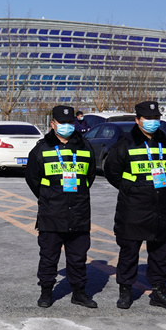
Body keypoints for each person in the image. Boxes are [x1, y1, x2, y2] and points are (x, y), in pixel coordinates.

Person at [103, 100, 166, 310]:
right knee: (129, 251)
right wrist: (132, 189)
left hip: (162, 206)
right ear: (138, 120)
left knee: (160, 252)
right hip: (134, 207)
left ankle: (159, 291)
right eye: (148, 118)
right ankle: (125, 291)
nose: (152, 122)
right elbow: (112, 171)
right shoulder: (126, 142)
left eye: (156, 118)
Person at [25, 105, 98, 308]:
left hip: (79, 211)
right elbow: (32, 178)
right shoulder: (41, 148)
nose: (67, 126)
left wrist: (74, 195)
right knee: (49, 256)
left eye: (70, 123)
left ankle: (79, 293)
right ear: (53, 124)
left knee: (78, 257)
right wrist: (49, 196)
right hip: (52, 212)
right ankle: (47, 292)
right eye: (62, 123)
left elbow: (89, 176)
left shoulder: (85, 146)